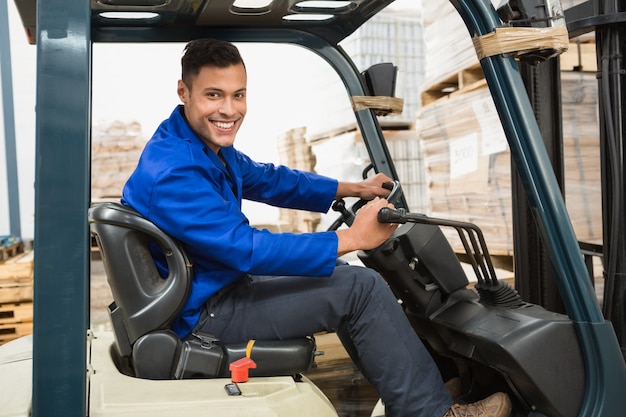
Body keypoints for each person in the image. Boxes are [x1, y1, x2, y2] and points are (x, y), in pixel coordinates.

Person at [122, 38, 511, 417]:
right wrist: (352, 237)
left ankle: (414, 394)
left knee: (341, 273)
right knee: (360, 289)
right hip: (204, 310)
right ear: (183, 92)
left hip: (210, 283)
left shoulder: (194, 144)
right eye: (213, 95)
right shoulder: (175, 171)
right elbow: (247, 249)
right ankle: (428, 411)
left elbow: (270, 179)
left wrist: (356, 187)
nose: (229, 108)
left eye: (238, 95)